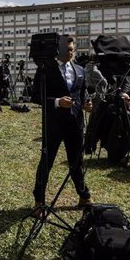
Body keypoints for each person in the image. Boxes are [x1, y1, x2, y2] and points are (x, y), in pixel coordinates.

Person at [32, 37, 93, 212]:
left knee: (76, 162)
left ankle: (84, 196)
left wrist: (86, 104)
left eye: (72, 49)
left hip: (75, 123)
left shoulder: (80, 70)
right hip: (53, 123)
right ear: (58, 50)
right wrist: (57, 102)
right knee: (47, 161)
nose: (71, 52)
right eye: (68, 50)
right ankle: (39, 200)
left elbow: (81, 95)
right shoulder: (45, 70)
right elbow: (36, 96)